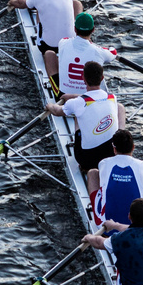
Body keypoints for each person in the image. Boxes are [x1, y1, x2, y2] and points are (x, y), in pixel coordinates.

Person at [45, 60, 124, 200]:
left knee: (77, 116)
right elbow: (91, 98)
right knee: (120, 108)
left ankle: (85, 167)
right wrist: (75, 97)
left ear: (83, 79)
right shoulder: (112, 97)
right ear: (102, 78)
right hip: (112, 154)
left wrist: (50, 105)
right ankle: (123, 146)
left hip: (88, 159)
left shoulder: (78, 103)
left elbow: (57, 111)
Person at [7, 0, 82, 80]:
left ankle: (53, 79)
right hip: (68, 44)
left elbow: (21, 4)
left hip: (49, 47)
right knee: (75, 4)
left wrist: (12, 1)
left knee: (39, 9)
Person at [94, 129, 143, 228]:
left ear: (114, 149)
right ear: (133, 147)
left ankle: (95, 208)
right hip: (139, 228)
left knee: (93, 173)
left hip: (106, 227)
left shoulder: (103, 163)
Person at [56, 12, 116, 96]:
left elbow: (68, 39)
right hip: (89, 98)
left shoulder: (63, 42)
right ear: (93, 29)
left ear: (75, 29)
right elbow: (113, 53)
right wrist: (108, 48)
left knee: (49, 54)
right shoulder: (99, 51)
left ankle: (56, 89)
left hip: (64, 95)